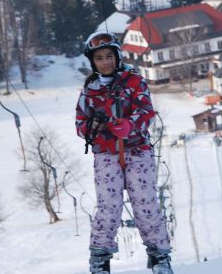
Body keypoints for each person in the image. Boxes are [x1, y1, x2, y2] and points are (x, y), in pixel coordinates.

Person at [75, 32, 173, 274]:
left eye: (109, 56)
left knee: (146, 203)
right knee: (109, 207)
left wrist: (131, 123)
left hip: (137, 150)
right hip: (107, 153)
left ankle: (159, 255)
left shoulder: (133, 81)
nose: (105, 62)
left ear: (117, 56)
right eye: (99, 58)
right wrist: (96, 127)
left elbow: (146, 109)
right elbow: (80, 125)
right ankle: (100, 258)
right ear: (93, 62)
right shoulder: (90, 90)